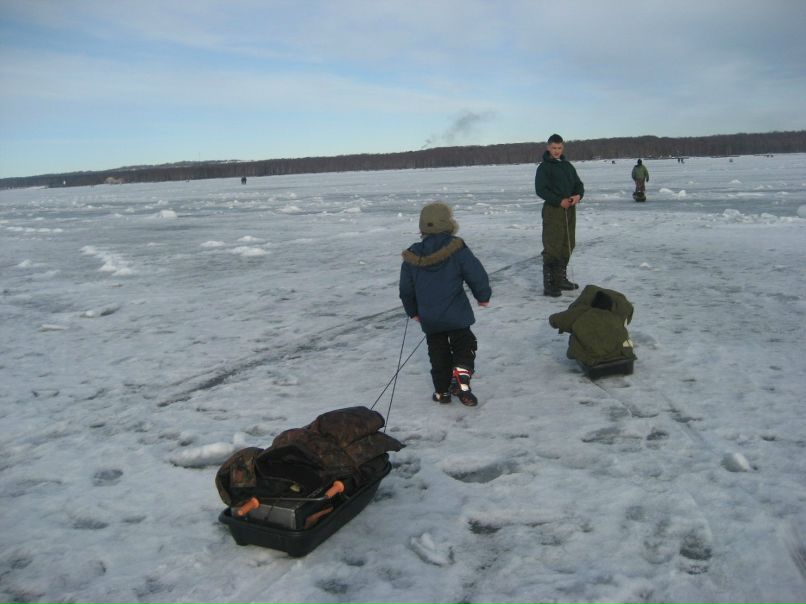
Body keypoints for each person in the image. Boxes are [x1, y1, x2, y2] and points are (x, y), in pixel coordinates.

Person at [399, 203, 491, 406]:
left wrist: (412, 311)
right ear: (448, 223)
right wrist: (483, 295)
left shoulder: (412, 256)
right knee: (464, 342)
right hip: (456, 314)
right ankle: (462, 374)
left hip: (431, 318)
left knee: (437, 352)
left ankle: (442, 391)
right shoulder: (456, 247)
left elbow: (406, 289)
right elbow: (476, 274)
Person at [534, 134, 585, 297]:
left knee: (568, 244)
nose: (556, 151)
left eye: (559, 148)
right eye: (554, 148)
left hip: (570, 208)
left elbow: (578, 184)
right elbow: (540, 189)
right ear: (548, 147)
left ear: (563, 148)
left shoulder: (567, 166)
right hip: (553, 210)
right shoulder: (544, 167)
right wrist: (558, 201)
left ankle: (560, 279)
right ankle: (549, 284)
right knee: (553, 246)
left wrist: (578, 196)